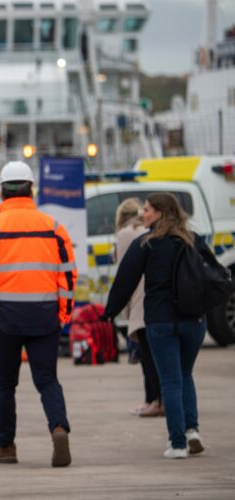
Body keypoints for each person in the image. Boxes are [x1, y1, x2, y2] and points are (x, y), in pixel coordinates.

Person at [0, 161, 76, 467]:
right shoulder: (55, 228)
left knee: (3, 384)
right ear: (32, 190)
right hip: (45, 315)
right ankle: (58, 426)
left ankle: (6, 447)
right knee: (47, 380)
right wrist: (64, 314)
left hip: (4, 318)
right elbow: (68, 276)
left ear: (2, 191)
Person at [102, 193, 210, 459]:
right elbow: (216, 273)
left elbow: (124, 282)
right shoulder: (193, 241)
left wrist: (108, 314)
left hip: (161, 321)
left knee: (170, 381)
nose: (143, 214)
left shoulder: (145, 244)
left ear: (161, 212)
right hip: (192, 320)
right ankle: (192, 431)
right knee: (185, 375)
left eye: (148, 210)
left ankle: (177, 444)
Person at [114, 198, 162, 417]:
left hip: (139, 299)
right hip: (154, 298)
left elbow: (125, 271)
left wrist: (116, 306)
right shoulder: (147, 231)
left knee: (148, 355)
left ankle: (155, 401)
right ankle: (154, 399)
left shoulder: (125, 234)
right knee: (155, 354)